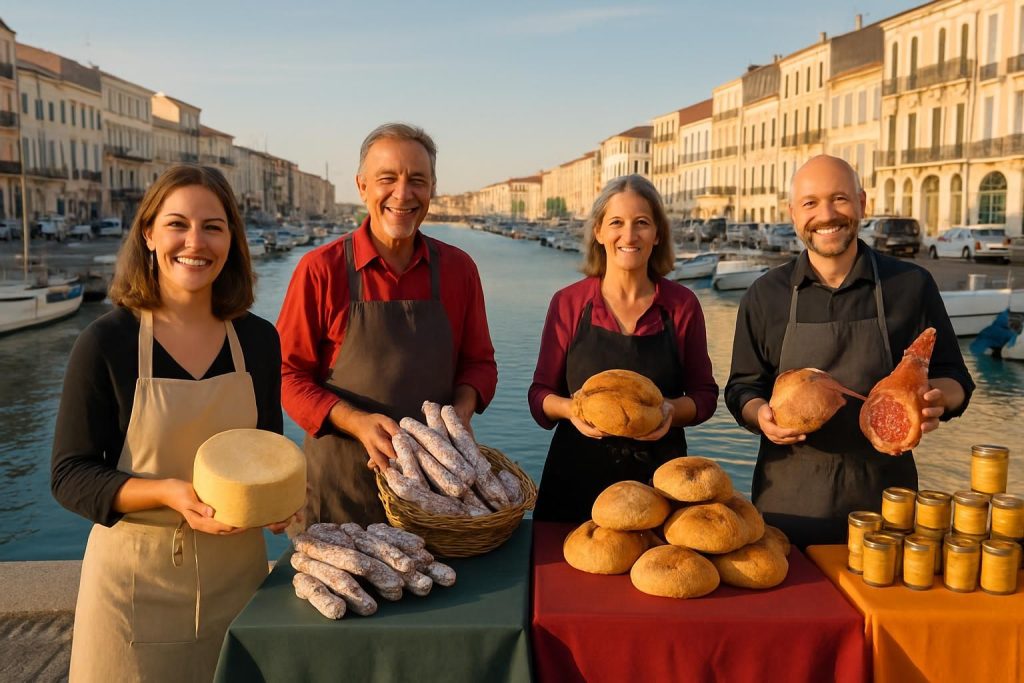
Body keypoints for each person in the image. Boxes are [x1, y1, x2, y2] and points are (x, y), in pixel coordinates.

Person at [51, 165, 290, 682]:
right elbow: (70, 475)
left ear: (231, 239)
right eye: (177, 223)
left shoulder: (258, 342)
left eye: (213, 226)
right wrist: (168, 493)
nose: (194, 242)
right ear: (149, 234)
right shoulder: (106, 343)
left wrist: (281, 503)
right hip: (132, 590)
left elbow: (269, 446)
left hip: (240, 585)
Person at [725, 155, 974, 548]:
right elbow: (742, 387)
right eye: (810, 203)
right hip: (788, 507)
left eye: (839, 199)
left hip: (888, 507)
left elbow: (956, 378)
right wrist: (762, 416)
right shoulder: (765, 295)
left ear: (862, 203)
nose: (826, 214)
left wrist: (936, 400)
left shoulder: (909, 285)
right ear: (792, 213)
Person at [277, 122, 498, 528]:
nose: (402, 193)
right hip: (343, 493)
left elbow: (479, 363)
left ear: (432, 188)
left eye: (417, 180)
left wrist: (462, 414)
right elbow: (287, 375)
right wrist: (356, 421)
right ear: (362, 187)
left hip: (440, 493)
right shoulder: (320, 270)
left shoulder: (459, 269)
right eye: (387, 179)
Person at [529, 174, 719, 522]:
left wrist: (669, 411)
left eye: (642, 223)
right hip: (574, 482)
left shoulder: (681, 306)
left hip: (660, 486)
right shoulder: (568, 303)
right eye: (616, 222)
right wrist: (572, 410)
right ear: (599, 232)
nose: (629, 235)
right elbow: (540, 396)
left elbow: (705, 397)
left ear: (657, 234)